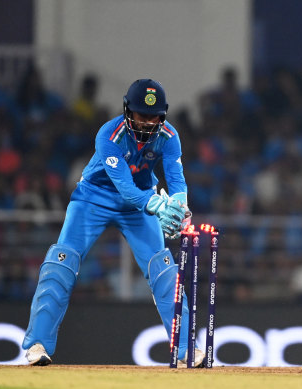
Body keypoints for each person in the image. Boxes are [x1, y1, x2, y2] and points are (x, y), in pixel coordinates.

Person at [22, 79, 203, 367]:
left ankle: (185, 350)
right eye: (141, 116)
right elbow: (123, 186)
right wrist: (156, 204)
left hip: (140, 202)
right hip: (94, 198)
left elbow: (177, 180)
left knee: (164, 269)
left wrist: (181, 208)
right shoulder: (109, 133)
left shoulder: (169, 136)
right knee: (62, 262)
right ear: (128, 111)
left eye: (153, 117)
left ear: (163, 116)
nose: (146, 124)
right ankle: (37, 345)